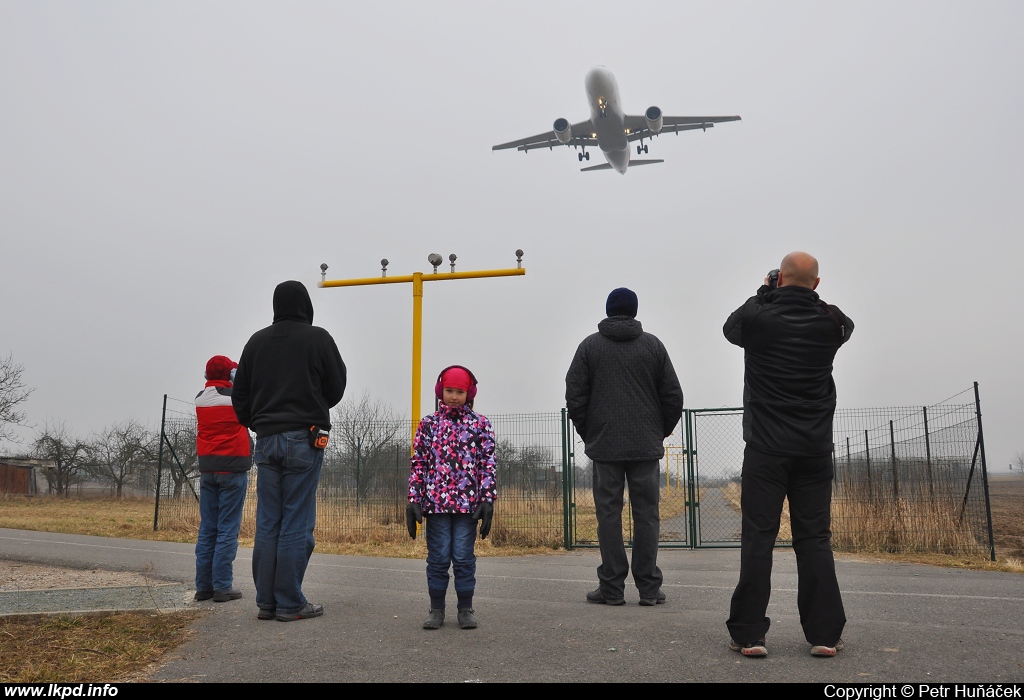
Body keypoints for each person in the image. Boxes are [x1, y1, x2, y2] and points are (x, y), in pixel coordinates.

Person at [723, 251, 854, 658]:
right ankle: (824, 635)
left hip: (765, 449)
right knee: (814, 539)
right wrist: (800, 293)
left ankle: (749, 635)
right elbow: (843, 322)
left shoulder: (759, 319)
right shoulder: (831, 322)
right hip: (814, 450)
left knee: (758, 538)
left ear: (779, 281)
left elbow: (732, 327)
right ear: (817, 284)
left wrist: (765, 290)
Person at [232, 280, 346, 622]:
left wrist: (256, 422)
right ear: (306, 305)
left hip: (266, 440)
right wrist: (314, 404)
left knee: (268, 520)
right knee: (296, 520)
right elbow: (337, 384)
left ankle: (267, 601)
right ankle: (289, 602)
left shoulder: (256, 342)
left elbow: (240, 394)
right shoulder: (318, 338)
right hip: (304, 438)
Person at [565, 288, 684, 606]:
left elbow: (575, 396)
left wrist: (590, 432)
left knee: (608, 515)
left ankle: (612, 588)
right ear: (634, 310)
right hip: (645, 445)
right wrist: (659, 431)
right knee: (647, 515)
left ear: (607, 310)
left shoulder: (590, 347)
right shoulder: (653, 346)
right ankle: (648, 588)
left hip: (605, 446)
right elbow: (673, 395)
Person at [406, 365, 496, 630]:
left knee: (464, 557)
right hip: (436, 506)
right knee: (438, 558)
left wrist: (487, 498)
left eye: (460, 391)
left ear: (469, 393)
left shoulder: (480, 424)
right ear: (440, 391)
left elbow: (487, 463)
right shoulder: (429, 424)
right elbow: (419, 462)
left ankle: (465, 608)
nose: (454, 396)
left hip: (468, 506)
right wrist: (414, 498)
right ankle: (436, 609)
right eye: (449, 390)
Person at [194, 355, 252, 603]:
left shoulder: (200, 398)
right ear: (230, 375)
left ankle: (203, 587)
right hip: (233, 468)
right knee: (228, 528)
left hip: (208, 468)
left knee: (208, 527)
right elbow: (251, 412)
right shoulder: (235, 399)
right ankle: (222, 586)